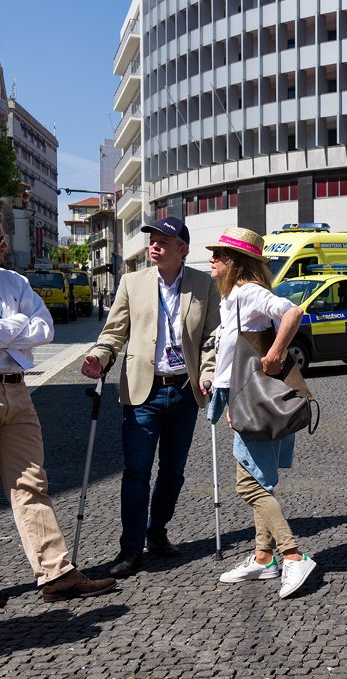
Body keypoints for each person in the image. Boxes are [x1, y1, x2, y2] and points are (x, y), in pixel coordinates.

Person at [0, 204, 117, 609]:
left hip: (17, 390)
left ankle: (55, 573)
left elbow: (44, 328)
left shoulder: (14, 281)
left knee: (31, 482)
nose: (4, 246)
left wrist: (0, 331)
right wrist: (17, 325)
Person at [83, 216, 221, 579]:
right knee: (136, 472)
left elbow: (211, 338)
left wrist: (208, 371)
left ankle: (156, 531)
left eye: (163, 241)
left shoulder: (203, 285)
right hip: (143, 391)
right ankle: (130, 547)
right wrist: (99, 356)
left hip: (185, 391)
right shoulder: (132, 282)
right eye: (152, 240)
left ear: (182, 249)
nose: (154, 245)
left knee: (173, 471)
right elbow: (114, 332)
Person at [206, 226, 317, 598]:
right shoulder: (231, 299)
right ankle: (263, 558)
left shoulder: (249, 292)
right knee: (258, 478)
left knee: (248, 484)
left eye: (219, 255)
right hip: (242, 396)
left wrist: (275, 354)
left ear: (236, 262)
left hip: (253, 399)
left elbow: (292, 312)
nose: (212, 259)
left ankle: (293, 554)